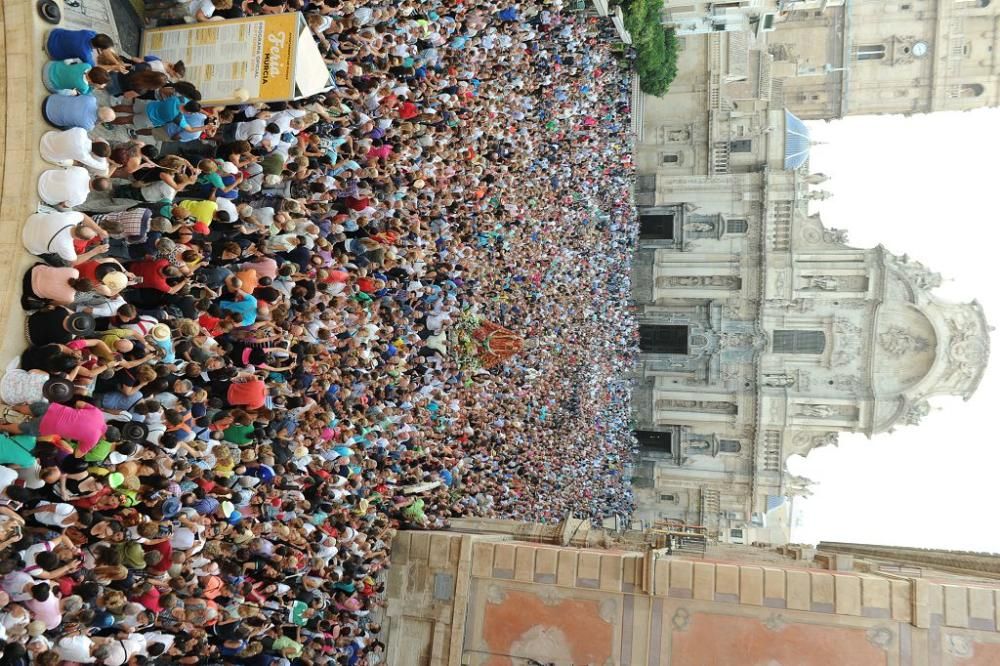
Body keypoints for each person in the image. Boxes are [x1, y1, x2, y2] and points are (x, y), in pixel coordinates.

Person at [39, 128, 111, 173]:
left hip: (47, 137)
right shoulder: (83, 156)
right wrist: (110, 162)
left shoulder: (82, 131)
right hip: (47, 153)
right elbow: (102, 166)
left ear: (97, 141)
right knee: (72, 163)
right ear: (95, 154)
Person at [36, 166, 112, 209]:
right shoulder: (81, 199)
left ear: (97, 177)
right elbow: (63, 205)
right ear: (97, 191)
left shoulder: (83, 171)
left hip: (45, 176)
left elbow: (67, 168)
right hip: (44, 195)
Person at [42, 94, 116, 131]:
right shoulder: (89, 126)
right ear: (103, 121)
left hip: (50, 99)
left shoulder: (92, 99)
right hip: (49, 117)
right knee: (71, 128)